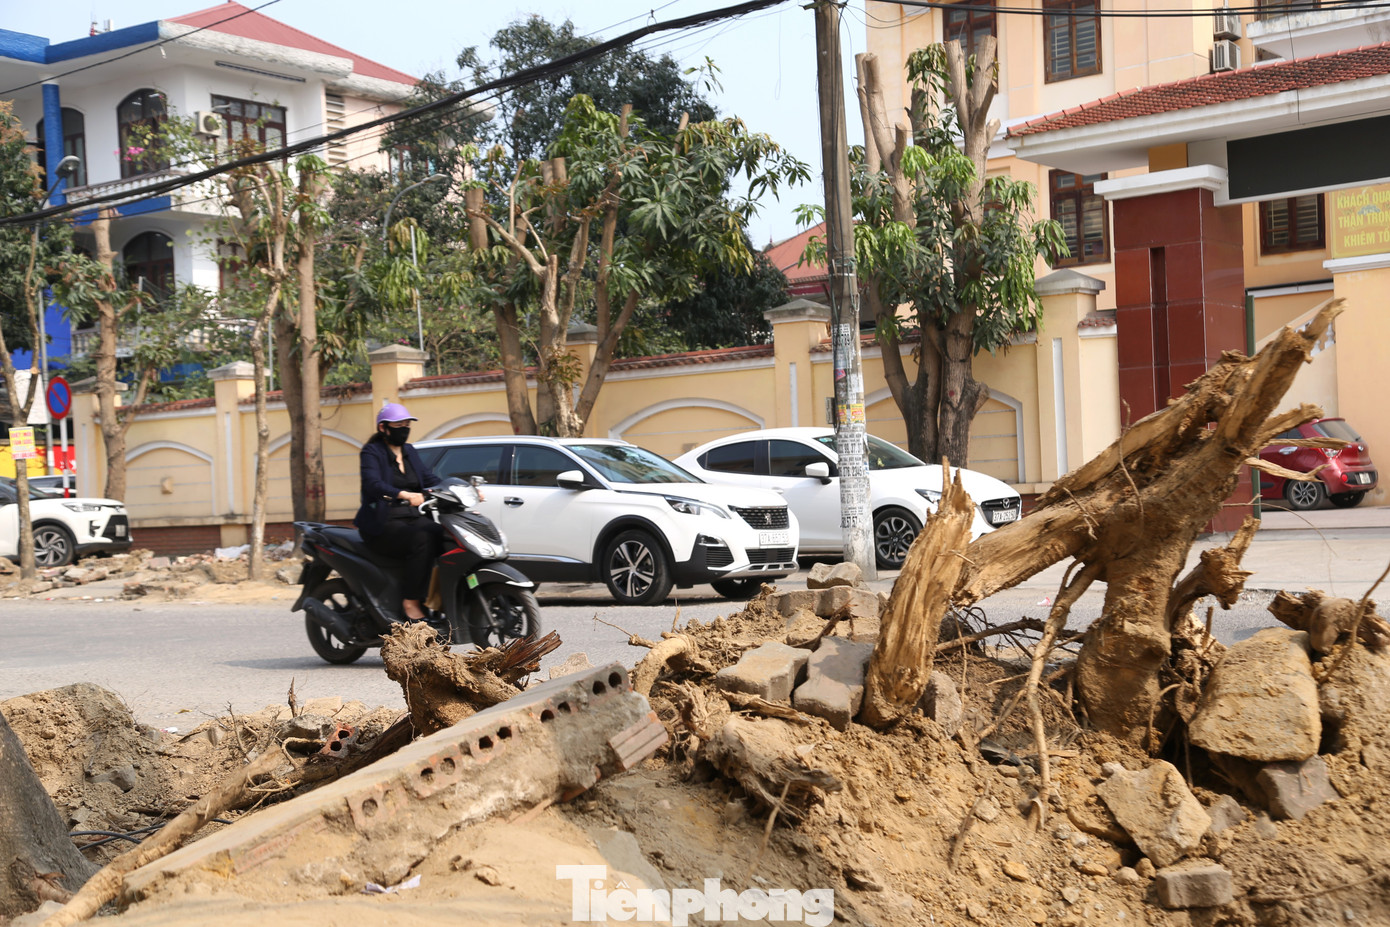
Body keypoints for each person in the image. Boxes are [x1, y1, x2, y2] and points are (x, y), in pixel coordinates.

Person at [354, 401, 443, 620]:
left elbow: (430, 478)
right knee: (423, 538)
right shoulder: (371, 452)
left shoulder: (409, 451)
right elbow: (373, 484)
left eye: (407, 424)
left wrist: (458, 488)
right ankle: (410, 601)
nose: (404, 429)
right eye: (398, 425)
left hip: (411, 517)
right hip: (383, 522)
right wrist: (404, 494)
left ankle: (438, 597)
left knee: (445, 534)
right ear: (383, 428)